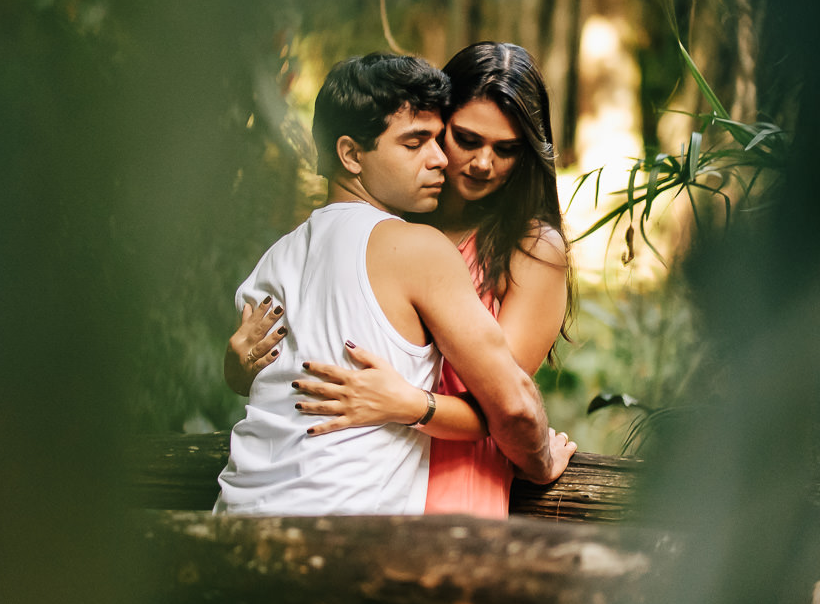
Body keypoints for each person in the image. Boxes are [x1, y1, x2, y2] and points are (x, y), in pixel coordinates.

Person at [214, 51, 574, 517]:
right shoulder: (394, 229)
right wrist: (239, 365)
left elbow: (508, 405)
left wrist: (410, 404)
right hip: (369, 474)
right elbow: (295, 369)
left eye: (506, 149)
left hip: (456, 472)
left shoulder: (527, 247)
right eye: (462, 139)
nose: (479, 162)